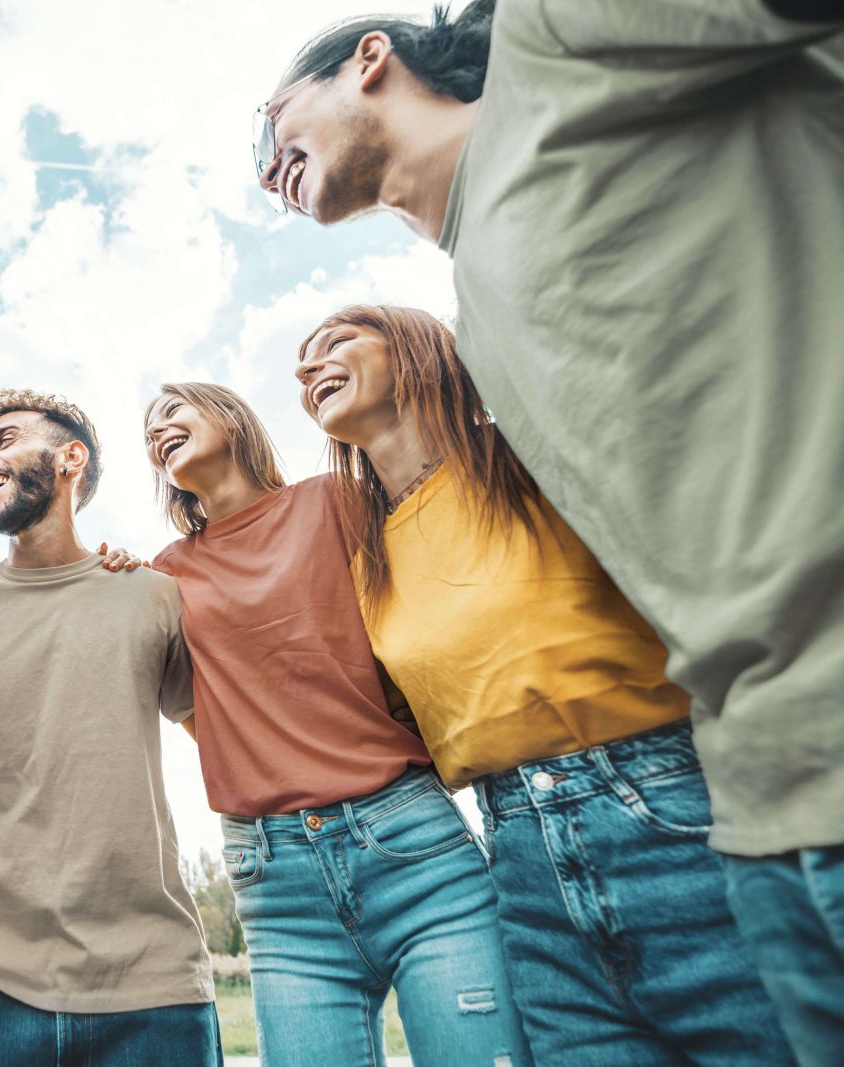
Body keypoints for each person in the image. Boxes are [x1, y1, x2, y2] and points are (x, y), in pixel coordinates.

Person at [251, 5, 844, 1056]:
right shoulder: (481, 304)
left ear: (370, 60)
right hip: (729, 801)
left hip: (687, 791)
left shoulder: (551, 40)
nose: (264, 168)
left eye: (273, 124)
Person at [300, 303, 794, 1064]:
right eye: (302, 360)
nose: (307, 368)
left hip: (672, 809)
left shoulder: (530, 454)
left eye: (335, 341)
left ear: (419, 348)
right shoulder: (368, 557)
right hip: (518, 859)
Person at [142, 382, 529, 1066]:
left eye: (173, 410)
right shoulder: (164, 577)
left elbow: (421, 618)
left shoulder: (338, 500)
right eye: (150, 428)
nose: (158, 428)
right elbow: (189, 702)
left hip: (411, 844)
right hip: (277, 881)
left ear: (230, 417)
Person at [0, 389, 219, 1066]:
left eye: (7, 437)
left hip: (153, 983)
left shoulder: (152, 592)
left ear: (70, 457)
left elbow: (223, 740)